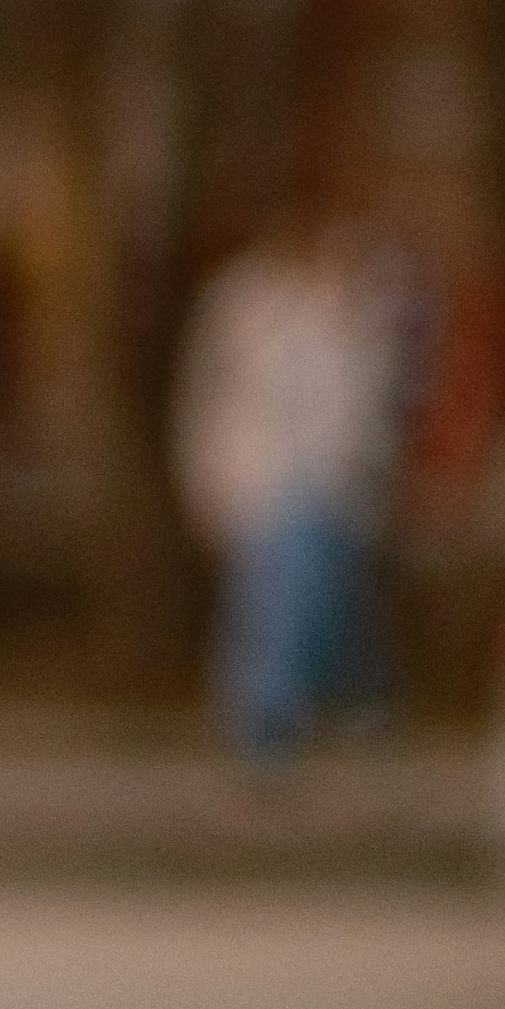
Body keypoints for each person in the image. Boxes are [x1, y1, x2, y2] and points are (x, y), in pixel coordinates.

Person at [176, 203, 409, 763]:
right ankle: (278, 716)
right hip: (266, 486)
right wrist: (207, 482)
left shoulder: (352, 311)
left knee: (309, 596)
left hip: (331, 489)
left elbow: (367, 412)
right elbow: (214, 398)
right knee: (283, 596)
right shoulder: (247, 305)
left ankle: (292, 712)